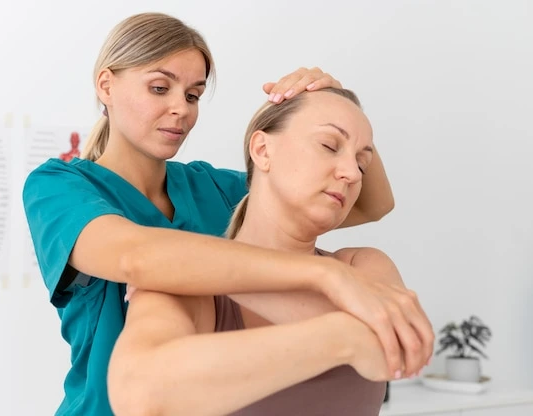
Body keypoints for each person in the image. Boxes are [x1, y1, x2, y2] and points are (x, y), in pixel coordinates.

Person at [23, 12, 432, 416]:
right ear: (106, 85)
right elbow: (138, 257)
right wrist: (326, 276)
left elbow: (369, 203)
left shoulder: (213, 188)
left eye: (193, 95)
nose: (180, 109)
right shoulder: (59, 186)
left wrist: (335, 105)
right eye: (160, 88)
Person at [108, 87, 426, 416]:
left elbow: (400, 346)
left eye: (362, 164)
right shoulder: (188, 286)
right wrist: (344, 337)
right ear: (262, 150)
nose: (351, 173)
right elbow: (140, 395)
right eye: (329, 145)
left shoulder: (363, 266)